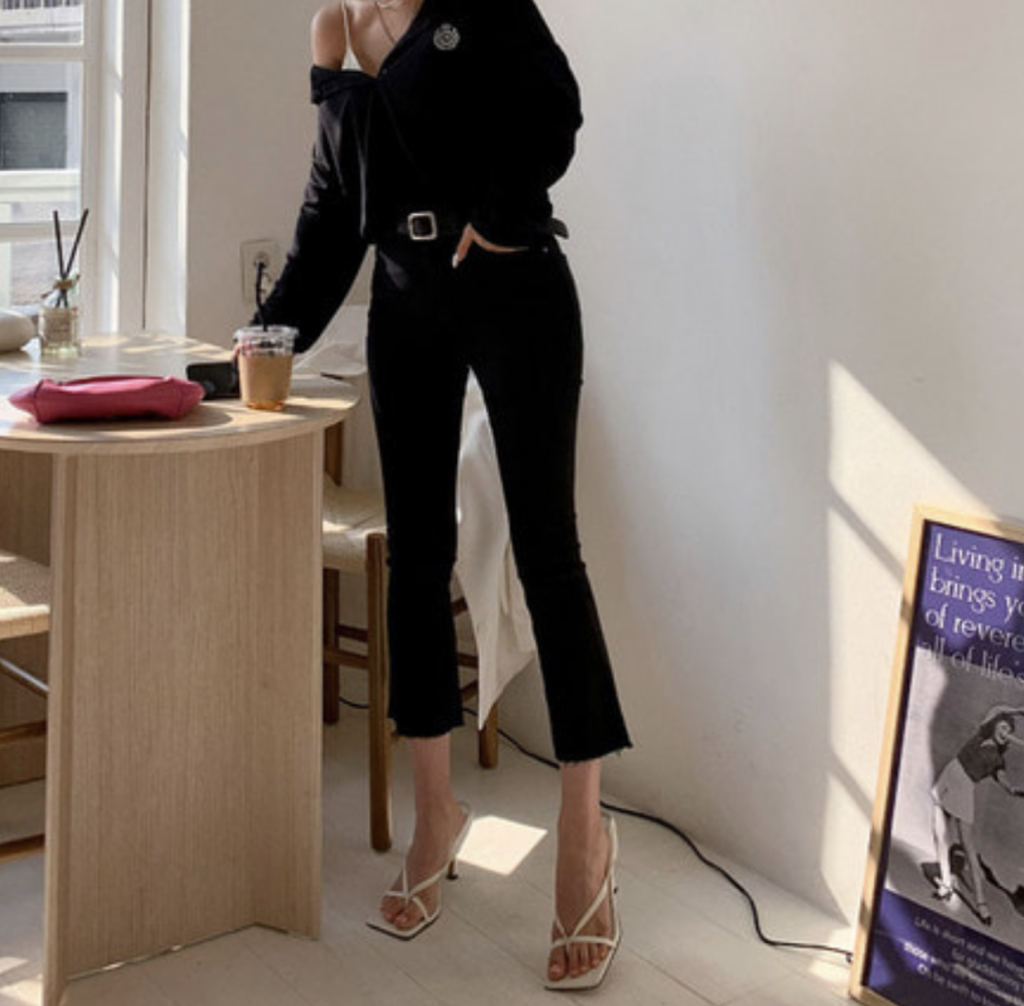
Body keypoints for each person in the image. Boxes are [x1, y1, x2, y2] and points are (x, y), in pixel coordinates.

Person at [259, 0, 632, 989]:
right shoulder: (334, 29)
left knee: (549, 555)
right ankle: (436, 815)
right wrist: (267, 334)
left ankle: (584, 833)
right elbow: (332, 208)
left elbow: (555, 110)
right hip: (404, 301)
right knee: (417, 556)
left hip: (517, 289)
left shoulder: (481, 2)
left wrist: (500, 221)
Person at [930, 705, 1024, 925]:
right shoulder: (981, 733)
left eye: (1008, 730)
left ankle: (981, 904)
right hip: (948, 775)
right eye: (1003, 727)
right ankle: (946, 884)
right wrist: (1017, 711)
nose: (1005, 732)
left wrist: (1015, 791)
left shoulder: (998, 760)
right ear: (994, 726)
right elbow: (997, 708)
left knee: (969, 848)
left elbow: (1006, 784)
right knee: (938, 833)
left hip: (964, 788)